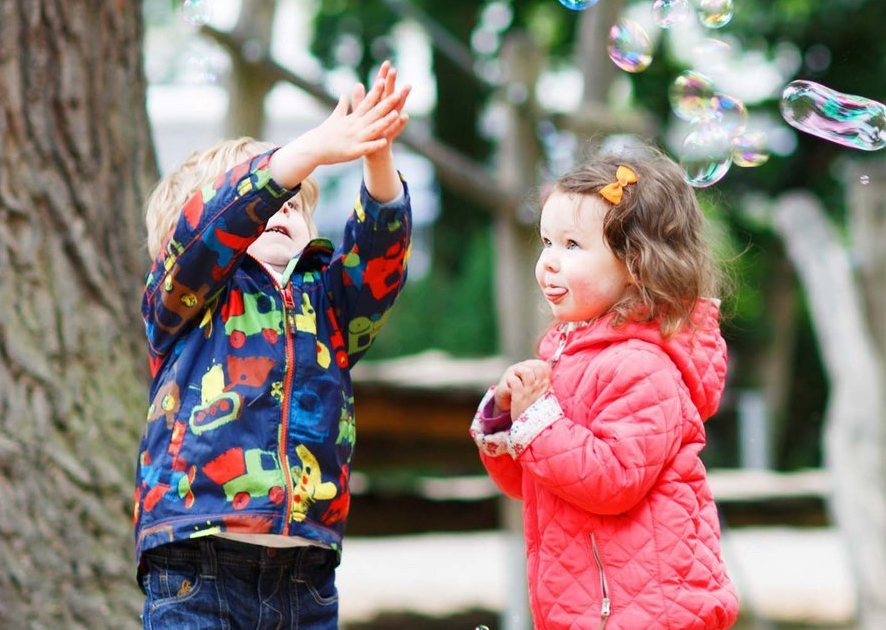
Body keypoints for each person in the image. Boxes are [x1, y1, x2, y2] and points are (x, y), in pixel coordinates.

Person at [132, 64, 413, 629]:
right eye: (270, 202)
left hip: (305, 576)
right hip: (197, 565)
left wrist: (377, 155)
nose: (284, 206)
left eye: (295, 203)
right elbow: (211, 229)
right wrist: (302, 155)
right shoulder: (187, 299)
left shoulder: (327, 307)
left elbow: (379, 260)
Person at [470, 145, 738, 630]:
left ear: (636, 263)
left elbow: (612, 481)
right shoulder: (563, 355)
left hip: (649, 614)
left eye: (572, 246)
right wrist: (508, 416)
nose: (549, 262)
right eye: (547, 242)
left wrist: (537, 419)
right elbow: (527, 481)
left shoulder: (641, 365)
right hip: (586, 608)